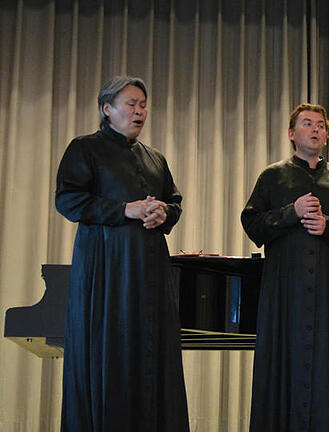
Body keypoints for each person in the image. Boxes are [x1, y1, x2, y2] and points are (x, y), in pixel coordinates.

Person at [55, 76, 189, 431]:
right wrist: (124, 210)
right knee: (110, 351)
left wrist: (165, 215)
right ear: (107, 109)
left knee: (153, 354)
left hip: (151, 272)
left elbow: (174, 202)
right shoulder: (85, 148)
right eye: (130, 103)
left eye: (143, 105)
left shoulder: (155, 158)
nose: (139, 111)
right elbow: (68, 200)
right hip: (107, 270)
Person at [241, 103, 329, 431]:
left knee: (326, 371)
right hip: (283, 294)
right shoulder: (272, 176)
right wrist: (290, 212)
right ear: (291, 134)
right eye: (307, 124)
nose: (315, 130)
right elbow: (252, 223)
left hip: (327, 294)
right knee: (279, 370)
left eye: (321, 126)